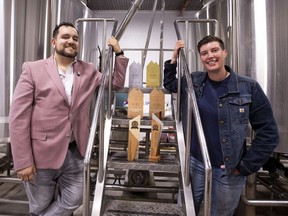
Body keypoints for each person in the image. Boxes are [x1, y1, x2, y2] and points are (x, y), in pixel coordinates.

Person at [9, 22, 129, 216]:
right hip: (41, 154)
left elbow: (115, 83)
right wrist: (22, 160)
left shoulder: (88, 70)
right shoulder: (33, 69)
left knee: (75, 198)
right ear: (54, 41)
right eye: (65, 37)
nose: (71, 41)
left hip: (75, 151)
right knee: (39, 206)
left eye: (75, 38)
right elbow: (18, 117)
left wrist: (119, 53)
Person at [163, 35, 279, 216]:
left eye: (214, 50)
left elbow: (269, 133)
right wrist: (174, 58)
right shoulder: (195, 81)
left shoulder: (248, 87)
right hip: (195, 163)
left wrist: (246, 165)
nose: (210, 56)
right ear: (201, 58)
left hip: (229, 170)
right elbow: (170, 83)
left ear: (224, 52)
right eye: (204, 53)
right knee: (185, 211)